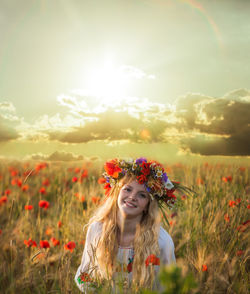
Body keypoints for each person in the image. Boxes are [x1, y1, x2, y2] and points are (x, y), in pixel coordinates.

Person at [75, 157, 181, 293]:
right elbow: (83, 276)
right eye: (127, 189)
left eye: (142, 195)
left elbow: (169, 288)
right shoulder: (97, 230)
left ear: (148, 205)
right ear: (117, 192)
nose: (132, 197)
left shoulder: (162, 242)